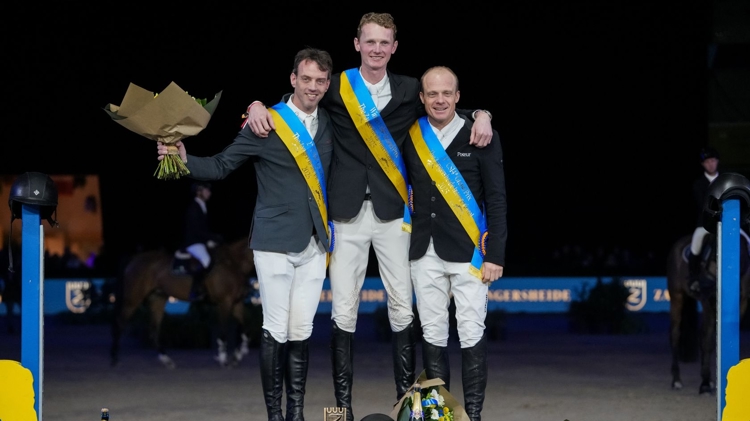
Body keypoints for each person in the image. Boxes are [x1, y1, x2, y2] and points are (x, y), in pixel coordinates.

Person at [243, 12, 494, 420]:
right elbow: (297, 102)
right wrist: (255, 104)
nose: (377, 49)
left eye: (385, 43)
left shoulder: (411, 88)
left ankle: (405, 408)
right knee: (343, 310)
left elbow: (445, 103)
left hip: (394, 215)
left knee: (401, 308)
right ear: (357, 44)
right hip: (344, 216)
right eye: (370, 41)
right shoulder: (337, 85)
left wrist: (483, 113)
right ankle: (341, 410)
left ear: (394, 47)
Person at [157, 47, 335, 421]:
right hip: (273, 242)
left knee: (302, 329)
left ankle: (296, 413)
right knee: (275, 328)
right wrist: (183, 158)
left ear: (328, 83)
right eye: (306, 79)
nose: (313, 87)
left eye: (320, 81)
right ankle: (274, 415)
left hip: (317, 244)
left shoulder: (332, 123)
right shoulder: (266, 123)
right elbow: (222, 166)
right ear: (292, 79)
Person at [404, 66, 507, 421]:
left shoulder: (480, 134)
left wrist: (496, 254)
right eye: (432, 94)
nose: (439, 99)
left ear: (458, 96)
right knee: (432, 334)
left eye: (447, 93)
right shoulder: (412, 135)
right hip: (423, 252)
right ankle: (439, 416)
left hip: (470, 254)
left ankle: (474, 416)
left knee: (470, 334)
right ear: (422, 98)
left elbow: (497, 200)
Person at [182, 181, 223, 301]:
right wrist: (212, 238)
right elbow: (196, 230)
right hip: (193, 242)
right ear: (199, 192)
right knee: (206, 260)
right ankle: (194, 290)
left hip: (200, 241)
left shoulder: (202, 206)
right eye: (207, 190)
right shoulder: (194, 208)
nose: (209, 192)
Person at [688, 147, 720, 293]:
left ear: (717, 161)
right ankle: (694, 279)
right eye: (707, 162)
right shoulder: (698, 184)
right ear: (703, 165)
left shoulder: (725, 179)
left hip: (727, 223)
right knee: (695, 247)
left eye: (712, 161)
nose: (710, 164)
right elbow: (703, 204)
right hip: (705, 224)